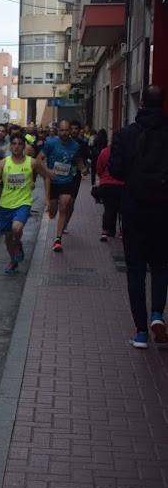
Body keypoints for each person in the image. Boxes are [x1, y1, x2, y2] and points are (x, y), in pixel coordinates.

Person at [109, 85, 168, 349]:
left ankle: (141, 332)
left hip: (133, 209)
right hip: (163, 210)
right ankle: (157, 313)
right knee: (161, 266)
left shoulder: (125, 135)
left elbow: (116, 171)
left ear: (141, 103)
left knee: (135, 269)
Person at [0, 133, 49, 273]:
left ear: (24, 146)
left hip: (23, 202)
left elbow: (45, 176)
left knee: (16, 228)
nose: (16, 146)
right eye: (14, 144)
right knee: (8, 237)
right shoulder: (4, 163)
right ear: (10, 146)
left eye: (19, 144)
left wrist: (48, 199)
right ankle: (13, 259)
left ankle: (18, 246)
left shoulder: (32, 162)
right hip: (5, 204)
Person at [37, 119, 87, 253]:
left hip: (67, 180)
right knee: (53, 211)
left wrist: (83, 169)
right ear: (58, 130)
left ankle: (58, 239)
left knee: (64, 205)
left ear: (70, 130)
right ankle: (53, 212)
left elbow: (79, 161)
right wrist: (47, 171)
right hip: (53, 182)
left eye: (67, 130)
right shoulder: (50, 143)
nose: (64, 133)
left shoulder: (75, 146)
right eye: (62, 130)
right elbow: (39, 159)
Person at [95, 139, 123, 242]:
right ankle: (121, 231)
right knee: (121, 210)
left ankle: (106, 231)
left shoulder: (104, 152)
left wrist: (102, 177)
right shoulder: (124, 152)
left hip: (106, 184)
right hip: (121, 184)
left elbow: (99, 167)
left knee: (108, 209)